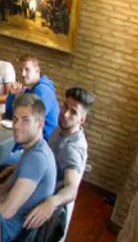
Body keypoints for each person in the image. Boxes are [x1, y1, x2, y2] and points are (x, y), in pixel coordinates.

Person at [24, 87, 93, 230]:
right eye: (65, 106)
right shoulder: (61, 130)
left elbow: (72, 188)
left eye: (73, 112)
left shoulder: (72, 148)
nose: (65, 114)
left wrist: (51, 203)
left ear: (82, 119)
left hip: (47, 209)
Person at [0, 94, 56, 242]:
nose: (16, 125)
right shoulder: (31, 149)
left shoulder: (37, 158)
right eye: (15, 119)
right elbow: (4, 190)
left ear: (40, 123)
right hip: (5, 225)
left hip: (5, 233)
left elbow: (6, 211)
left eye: (25, 120)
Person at [5, 54, 59, 141]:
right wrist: (12, 95)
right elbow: (10, 115)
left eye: (27, 69)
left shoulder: (42, 90)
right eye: (20, 70)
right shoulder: (28, 90)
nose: (23, 74)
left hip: (44, 142)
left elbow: (31, 123)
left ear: (37, 70)